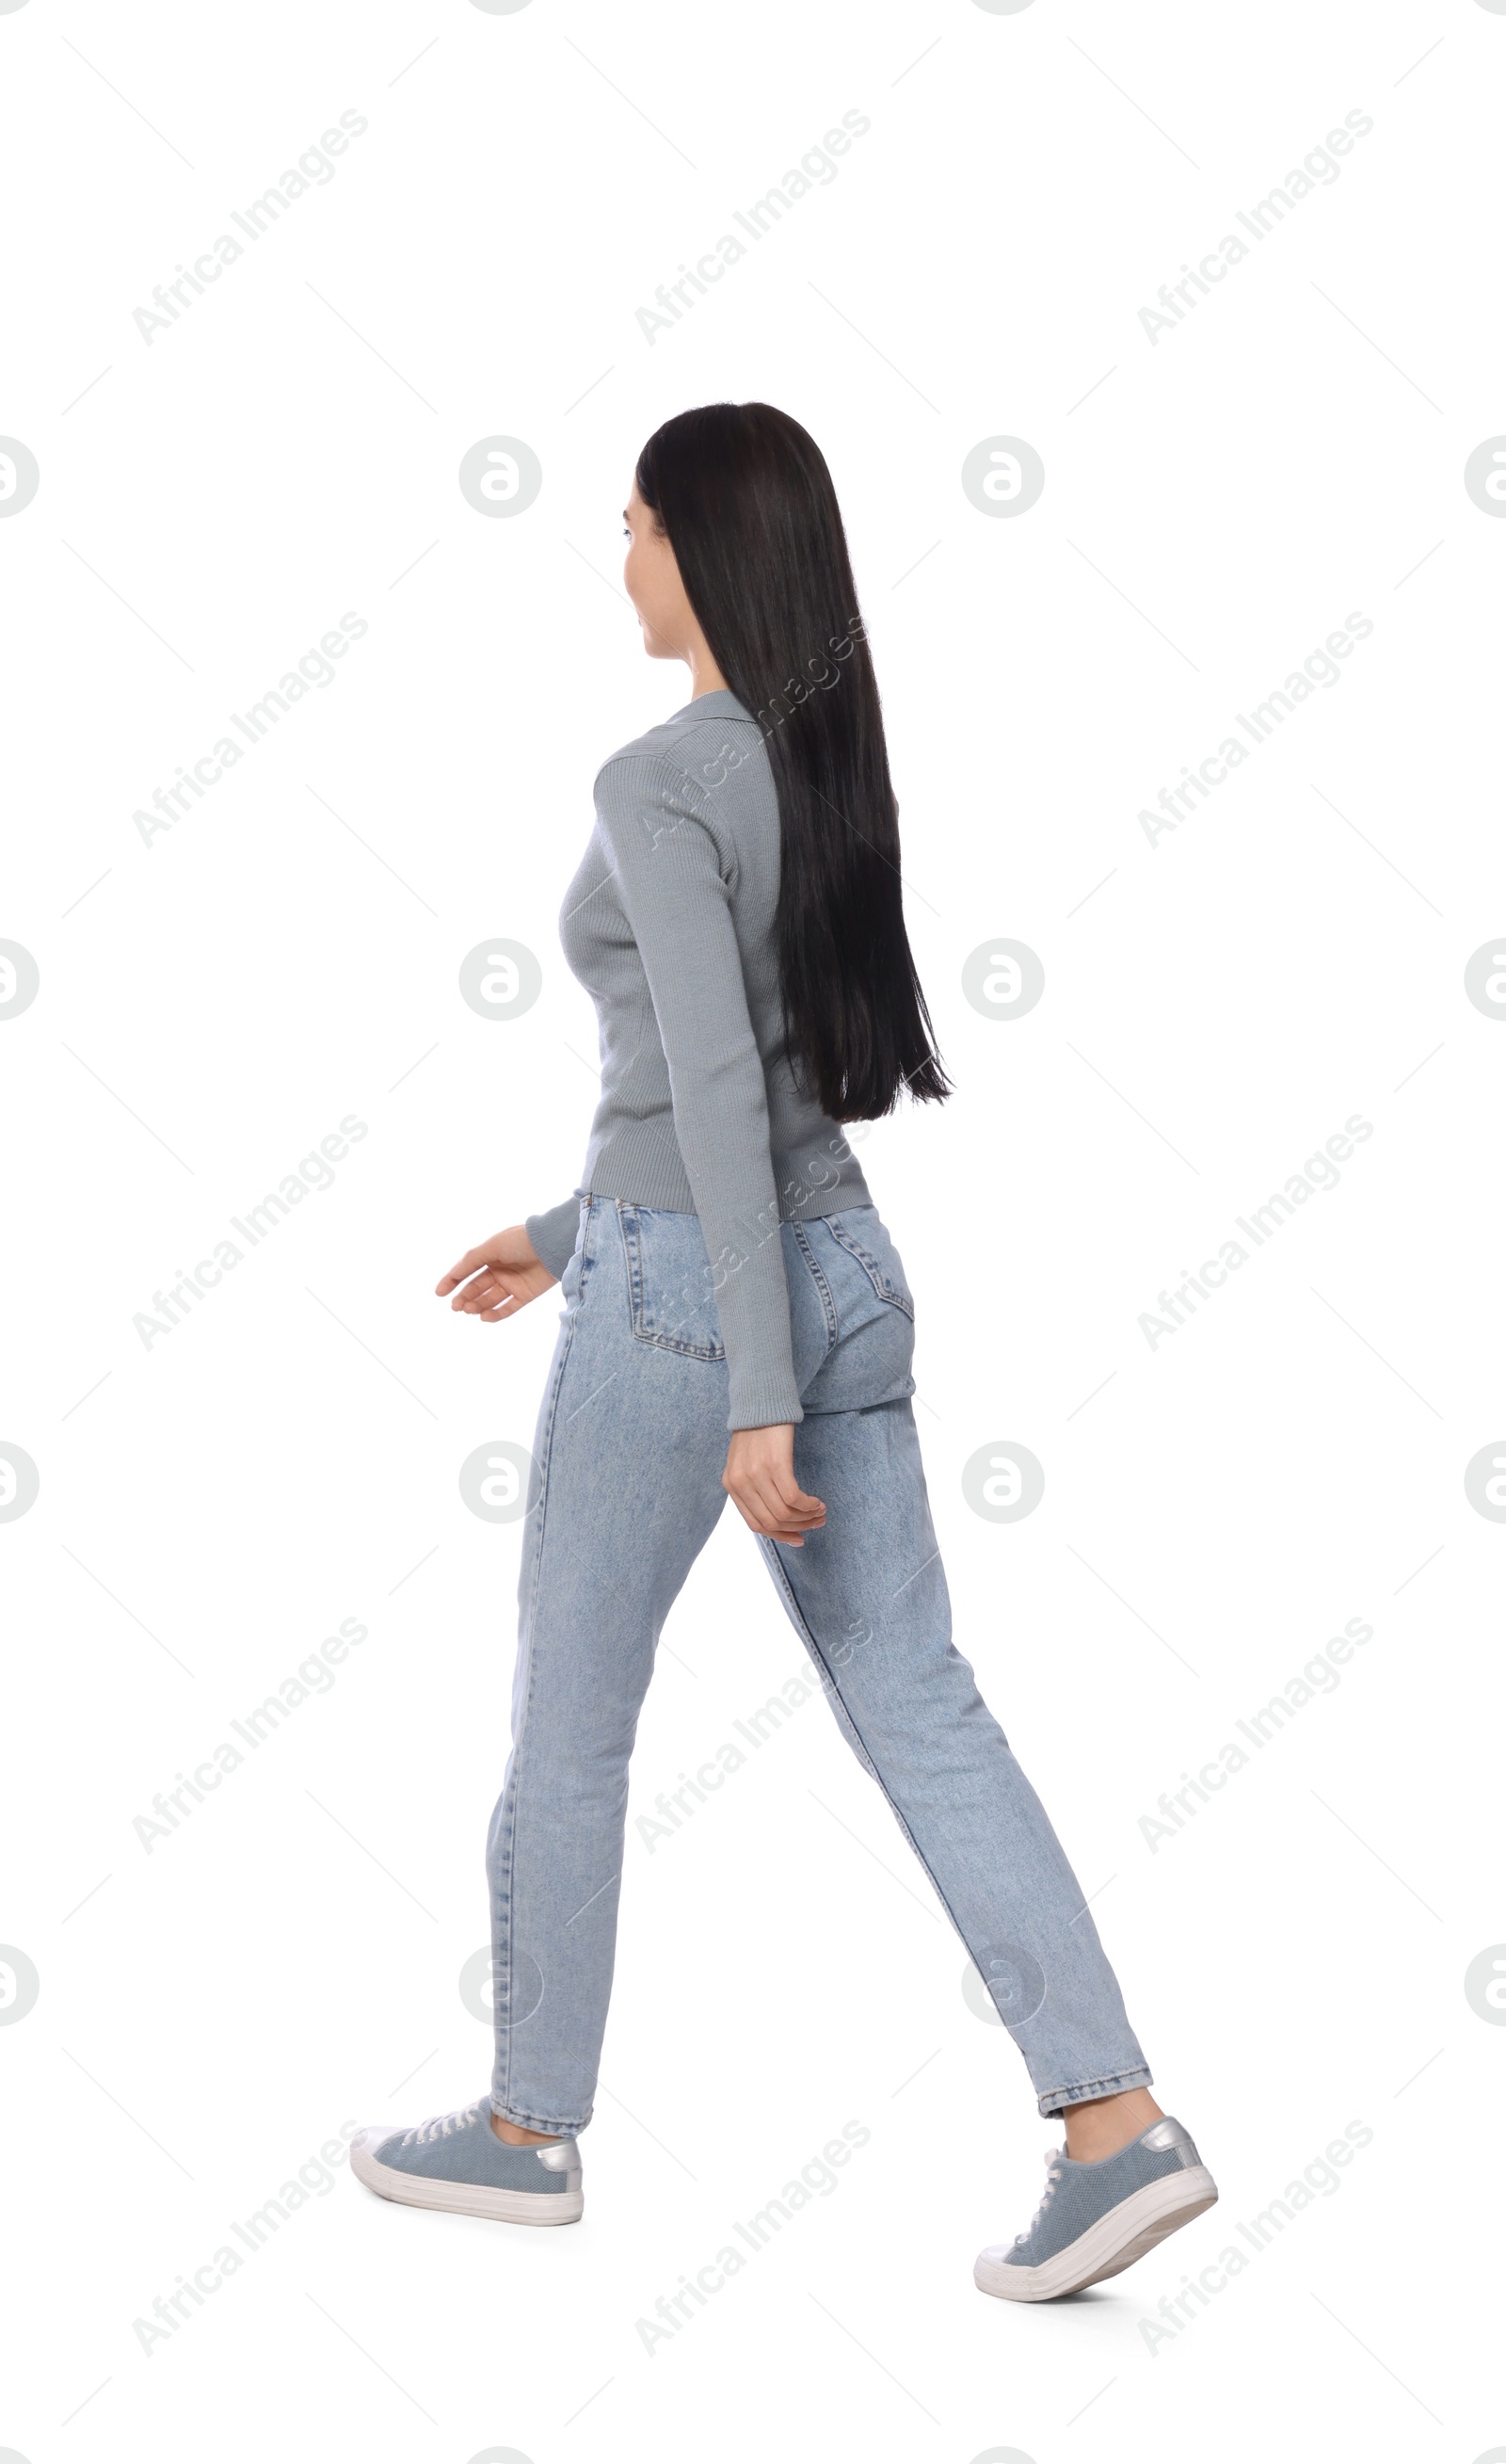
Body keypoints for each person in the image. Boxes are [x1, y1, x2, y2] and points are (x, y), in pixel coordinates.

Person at [351, 401, 1216, 2299]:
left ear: (705, 552)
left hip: (705, 1296)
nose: (622, 550)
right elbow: (768, 1096)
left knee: (567, 1724)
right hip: (834, 1263)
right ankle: (1110, 2121)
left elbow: (723, 1092)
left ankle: (521, 2128)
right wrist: (561, 1224)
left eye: (641, 521)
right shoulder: (822, 763)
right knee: (922, 1702)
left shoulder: (657, 778)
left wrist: (741, 1380)